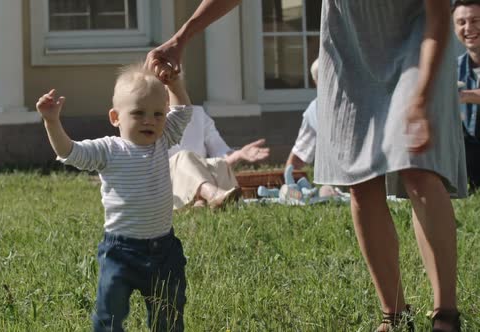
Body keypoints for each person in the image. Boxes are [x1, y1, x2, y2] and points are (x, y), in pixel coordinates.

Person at [146, 1, 466, 331]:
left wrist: (422, 94)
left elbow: (439, 13)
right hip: (348, 50)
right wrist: (181, 38)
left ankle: (446, 314)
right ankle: (395, 316)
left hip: (418, 42)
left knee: (418, 171)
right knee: (359, 178)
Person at [36, 62, 192, 332]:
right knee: (109, 314)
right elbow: (70, 151)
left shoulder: (162, 139)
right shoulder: (109, 150)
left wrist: (175, 85)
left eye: (158, 114)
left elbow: (183, 112)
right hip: (120, 252)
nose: (150, 120)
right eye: (139, 113)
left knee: (168, 314)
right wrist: (52, 121)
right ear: (115, 117)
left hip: (164, 249)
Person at [168, 106, 269, 209]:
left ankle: (201, 203)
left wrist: (239, 154)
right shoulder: (152, 118)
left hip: (202, 180)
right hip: (166, 186)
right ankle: (210, 195)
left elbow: (221, 154)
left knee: (218, 164)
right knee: (184, 157)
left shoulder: (198, 113)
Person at [453, 0, 480, 191]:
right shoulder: (453, 68)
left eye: (476, 20)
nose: (468, 28)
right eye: (461, 22)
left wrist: (463, 95)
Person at [286, 59, 319, 171]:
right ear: (316, 82)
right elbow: (298, 159)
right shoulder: (315, 109)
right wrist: (288, 186)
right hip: (338, 186)